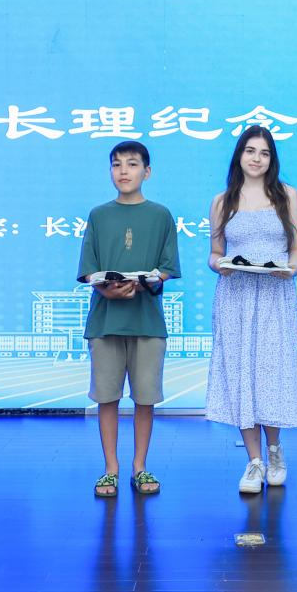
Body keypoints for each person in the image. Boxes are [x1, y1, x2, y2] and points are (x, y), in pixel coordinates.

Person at [206, 126, 297, 494]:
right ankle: (253, 461)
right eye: (250, 151)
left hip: (274, 295)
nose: (256, 158)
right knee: (241, 373)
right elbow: (214, 253)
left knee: (271, 373)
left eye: (264, 153)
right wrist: (220, 265)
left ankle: (274, 450)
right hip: (235, 297)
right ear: (239, 155)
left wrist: (291, 269)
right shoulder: (222, 201)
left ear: (272, 159)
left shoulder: (288, 195)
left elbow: (296, 250)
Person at [77, 140, 181, 498]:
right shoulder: (98, 215)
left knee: (145, 399)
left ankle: (139, 466)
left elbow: (167, 267)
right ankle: (111, 469)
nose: (124, 171)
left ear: (146, 172)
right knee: (107, 398)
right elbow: (88, 269)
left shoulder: (161, 215)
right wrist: (105, 289)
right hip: (105, 322)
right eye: (117, 164)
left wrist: (148, 281)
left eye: (132, 164)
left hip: (147, 321)